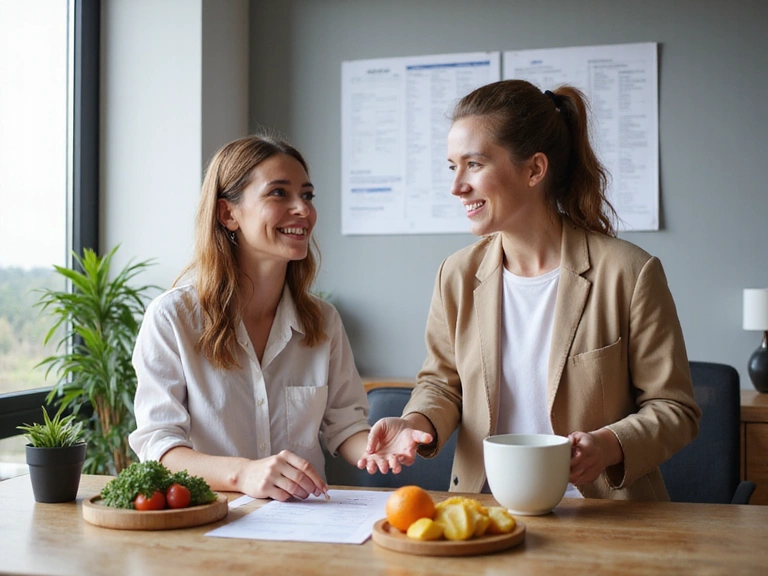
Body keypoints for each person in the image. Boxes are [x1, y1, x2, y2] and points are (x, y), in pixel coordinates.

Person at [358, 80, 701, 500]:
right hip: (486, 511)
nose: (456, 186)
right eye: (453, 166)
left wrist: (610, 444)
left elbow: (675, 408)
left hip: (601, 516)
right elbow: (442, 385)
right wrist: (416, 423)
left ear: (534, 170)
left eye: (475, 164)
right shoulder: (457, 274)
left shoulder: (630, 272)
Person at [129, 134, 371, 501]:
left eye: (307, 195)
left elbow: (346, 427)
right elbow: (159, 446)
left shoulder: (323, 321)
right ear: (229, 214)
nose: (303, 209)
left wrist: (377, 448)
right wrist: (244, 474)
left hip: (307, 529)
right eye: (279, 193)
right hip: (211, 526)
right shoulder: (171, 319)